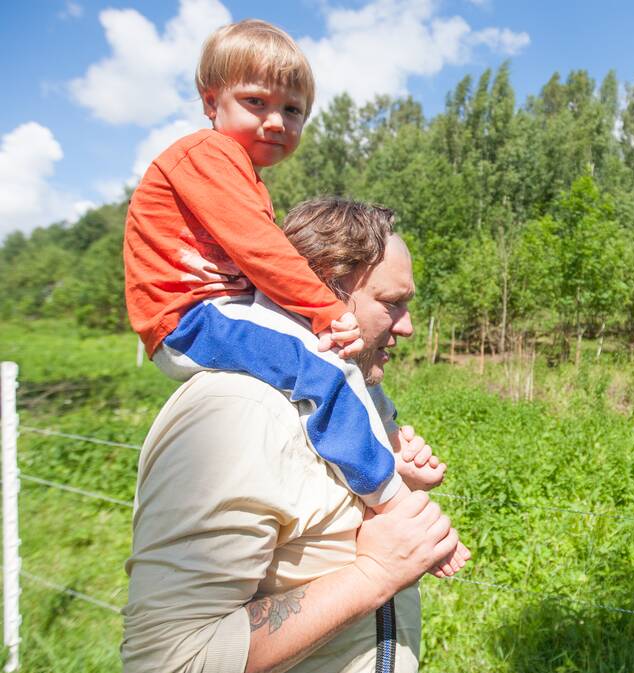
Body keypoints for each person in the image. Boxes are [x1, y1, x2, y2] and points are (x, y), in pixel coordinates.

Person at [123, 198, 460, 673]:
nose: (409, 325)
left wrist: (397, 484)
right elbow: (168, 671)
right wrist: (376, 573)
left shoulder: (347, 399)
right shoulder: (236, 413)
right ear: (318, 293)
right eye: (392, 302)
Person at [123, 18, 423, 513]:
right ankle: (389, 499)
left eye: (293, 110)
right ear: (210, 101)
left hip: (218, 310)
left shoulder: (238, 172)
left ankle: (388, 442)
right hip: (192, 317)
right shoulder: (207, 154)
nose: (277, 121)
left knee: (339, 358)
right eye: (255, 102)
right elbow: (261, 251)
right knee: (325, 369)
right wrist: (329, 311)